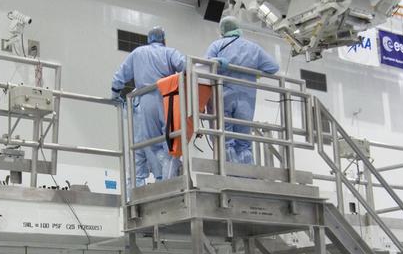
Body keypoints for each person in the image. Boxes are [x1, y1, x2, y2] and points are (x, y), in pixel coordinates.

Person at [110, 27, 186, 184]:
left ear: (149, 39)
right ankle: (168, 180)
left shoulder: (138, 53)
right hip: (168, 98)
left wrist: (115, 94)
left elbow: (119, 76)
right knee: (169, 143)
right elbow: (186, 67)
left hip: (145, 100)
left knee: (152, 144)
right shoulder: (170, 52)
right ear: (163, 39)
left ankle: (161, 180)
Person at [203, 15, 279, 165]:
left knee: (224, 139)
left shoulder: (217, 45)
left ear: (222, 30)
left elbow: (202, 65)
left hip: (222, 98)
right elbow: (273, 67)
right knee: (244, 143)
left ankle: (228, 174)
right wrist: (255, 72)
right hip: (246, 100)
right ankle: (247, 176)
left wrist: (218, 63)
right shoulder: (253, 48)